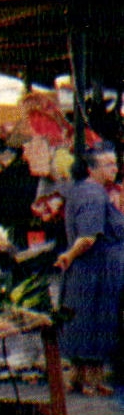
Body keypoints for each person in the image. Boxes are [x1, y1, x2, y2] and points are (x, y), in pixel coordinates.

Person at [53, 141, 124, 396]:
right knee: (93, 324)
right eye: (108, 164)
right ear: (92, 169)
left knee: (86, 324)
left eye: (115, 162)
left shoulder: (90, 191)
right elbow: (88, 237)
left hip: (95, 271)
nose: (115, 168)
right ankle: (88, 381)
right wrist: (69, 255)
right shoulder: (93, 194)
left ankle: (82, 378)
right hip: (94, 272)